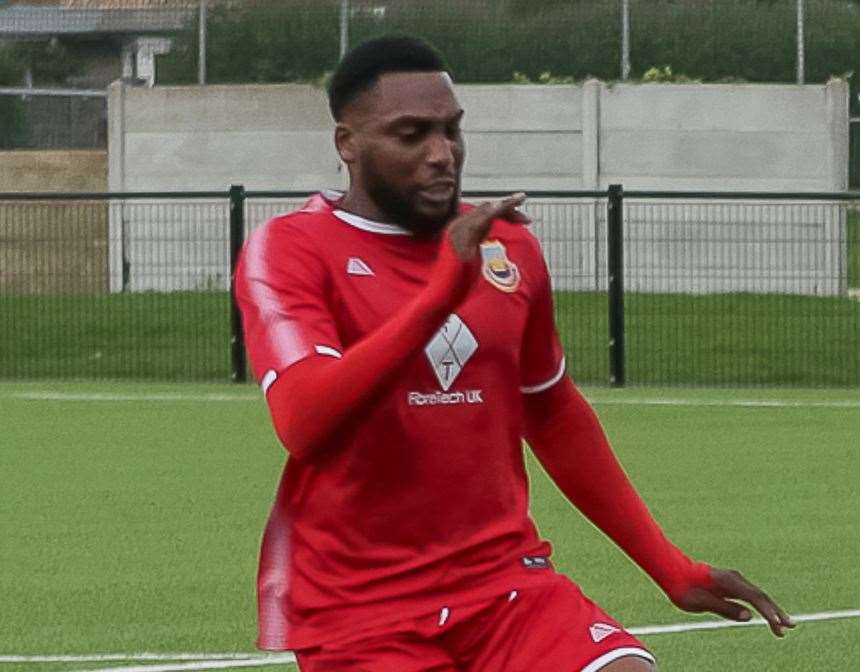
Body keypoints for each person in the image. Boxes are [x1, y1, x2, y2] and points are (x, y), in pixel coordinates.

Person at [234, 35, 793, 672]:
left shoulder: (507, 250)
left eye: (452, 131)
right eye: (412, 134)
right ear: (348, 144)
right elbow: (304, 421)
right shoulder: (290, 249)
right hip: (360, 608)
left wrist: (669, 565)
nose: (442, 155)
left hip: (504, 586)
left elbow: (553, 414)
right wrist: (442, 290)